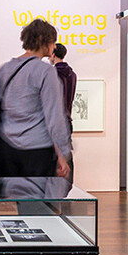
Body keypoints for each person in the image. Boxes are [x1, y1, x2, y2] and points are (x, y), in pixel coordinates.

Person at [0, 19, 71, 255]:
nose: (54, 47)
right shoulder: (44, 72)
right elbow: (54, 116)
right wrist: (62, 154)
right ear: (45, 42)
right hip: (37, 152)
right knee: (38, 211)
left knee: (28, 207)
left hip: (10, 152)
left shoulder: (6, 68)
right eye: (53, 42)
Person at [51, 43, 77, 181]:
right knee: (66, 155)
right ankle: (67, 188)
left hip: (54, 122)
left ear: (53, 54)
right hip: (67, 121)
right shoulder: (72, 74)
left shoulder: (52, 74)